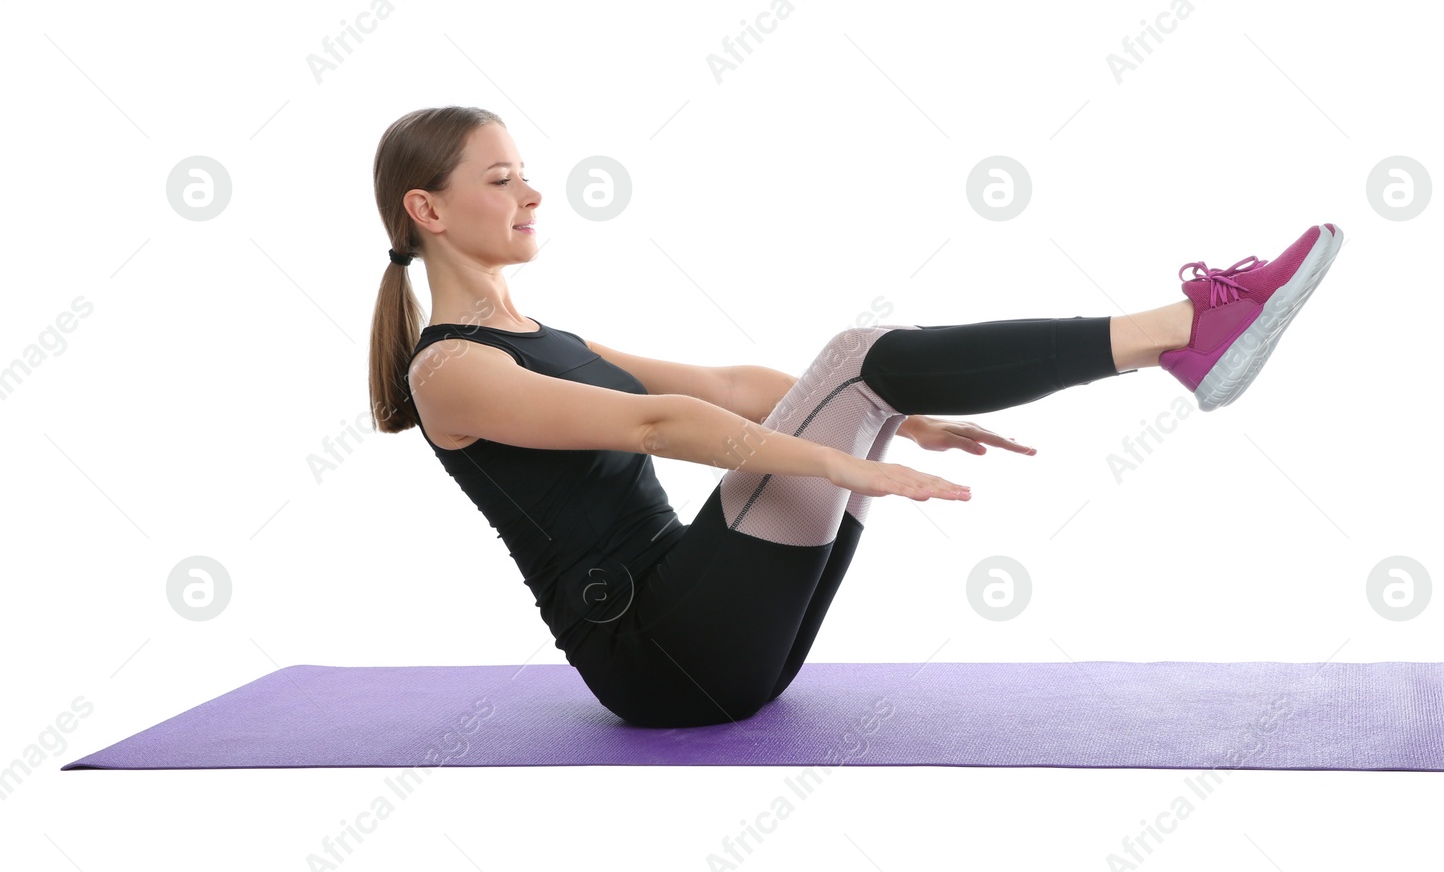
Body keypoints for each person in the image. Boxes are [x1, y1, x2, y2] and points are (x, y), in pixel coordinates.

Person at [367, 105, 1344, 729]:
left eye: (523, 173)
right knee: (857, 357)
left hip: (708, 641)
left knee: (860, 369)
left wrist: (894, 419)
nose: (533, 192)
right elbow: (654, 426)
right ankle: (1187, 329)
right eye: (501, 181)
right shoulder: (449, 369)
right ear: (431, 210)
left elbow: (722, 385)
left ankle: (1185, 338)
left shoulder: (533, 334)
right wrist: (841, 463)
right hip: (660, 660)